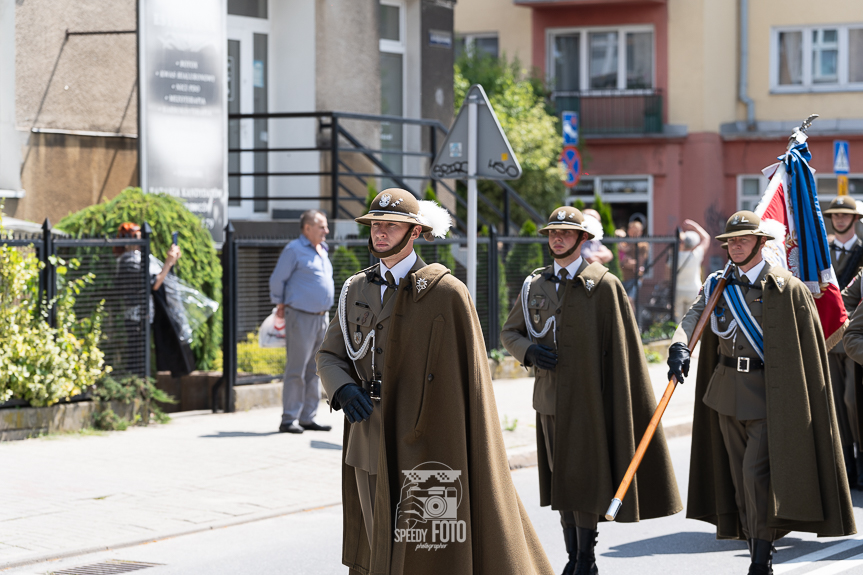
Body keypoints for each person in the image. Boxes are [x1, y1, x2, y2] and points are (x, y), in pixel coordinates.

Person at [316, 189, 553, 575]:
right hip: (369, 438)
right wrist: (341, 386)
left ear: (414, 232)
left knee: (427, 550)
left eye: (390, 225)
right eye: (376, 225)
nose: (379, 232)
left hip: (425, 448)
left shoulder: (446, 293)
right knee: (379, 550)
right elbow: (329, 355)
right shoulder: (355, 288)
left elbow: (472, 384)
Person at [668, 211, 856, 575]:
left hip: (771, 397)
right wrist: (679, 346)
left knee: (756, 477)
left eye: (742, 240)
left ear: (760, 242)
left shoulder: (788, 288)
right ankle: (759, 542)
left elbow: (809, 351)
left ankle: (760, 558)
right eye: (730, 242)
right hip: (725, 394)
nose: (734, 246)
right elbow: (692, 319)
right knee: (740, 481)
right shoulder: (717, 286)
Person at [500, 206, 682, 575]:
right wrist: (528, 352)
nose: (557, 238)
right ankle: (572, 557)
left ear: (583, 239)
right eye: (552, 233)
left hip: (591, 401)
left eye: (566, 233)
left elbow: (622, 349)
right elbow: (510, 332)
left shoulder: (603, 284)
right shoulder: (534, 284)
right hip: (550, 400)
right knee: (562, 482)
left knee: (583, 479)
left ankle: (586, 558)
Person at [269, 210, 334, 434]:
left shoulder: (322, 249)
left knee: (315, 369)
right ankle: (289, 419)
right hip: (300, 316)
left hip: (321, 317)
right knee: (296, 368)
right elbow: (277, 280)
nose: (326, 230)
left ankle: (307, 417)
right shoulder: (293, 250)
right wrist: (279, 304)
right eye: (322, 226)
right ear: (307, 228)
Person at [116, 222, 195, 377]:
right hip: (136, 317)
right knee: (137, 358)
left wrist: (171, 263)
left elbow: (157, 279)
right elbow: (154, 284)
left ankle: (141, 384)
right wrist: (168, 262)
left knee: (145, 355)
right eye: (137, 238)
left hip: (146, 315)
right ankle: (134, 386)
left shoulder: (139, 258)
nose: (140, 243)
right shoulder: (128, 261)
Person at [823, 196, 863, 485]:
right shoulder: (819, 252)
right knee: (835, 402)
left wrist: (848, 321)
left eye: (844, 215)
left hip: (853, 337)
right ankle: (845, 466)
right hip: (826, 337)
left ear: (855, 219)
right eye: (834, 215)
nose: (838, 219)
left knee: (853, 401)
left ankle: (861, 461)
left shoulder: (862, 253)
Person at [674, 219, 710, 321]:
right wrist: (694, 226)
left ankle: (678, 336)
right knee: (692, 318)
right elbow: (706, 238)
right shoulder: (697, 254)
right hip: (693, 290)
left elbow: (667, 273)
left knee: (678, 320)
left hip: (678, 289)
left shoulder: (675, 256)